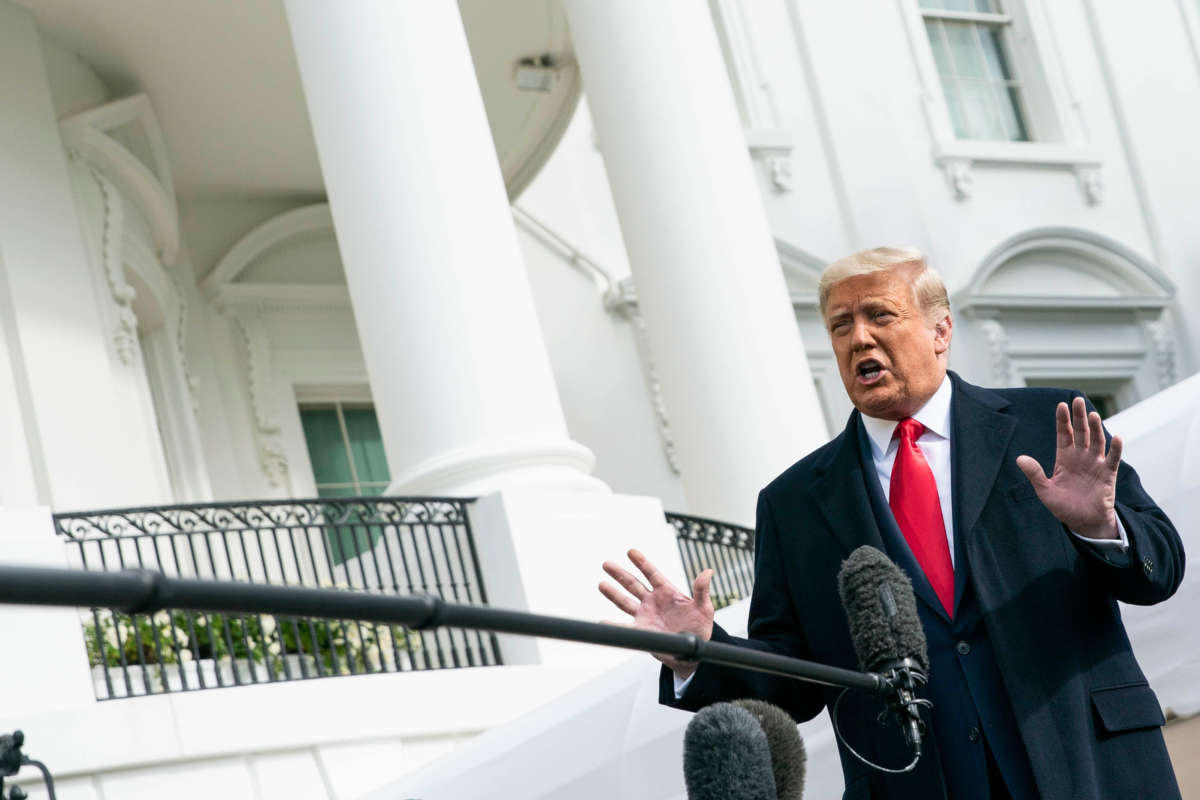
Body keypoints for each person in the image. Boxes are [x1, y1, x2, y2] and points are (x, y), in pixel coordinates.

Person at [599, 248, 1184, 799]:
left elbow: (1160, 571)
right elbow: (796, 684)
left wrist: (1099, 528)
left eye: (880, 314)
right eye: (839, 325)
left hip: (1088, 767)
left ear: (940, 332)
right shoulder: (795, 501)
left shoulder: (1049, 424)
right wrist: (699, 652)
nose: (859, 338)